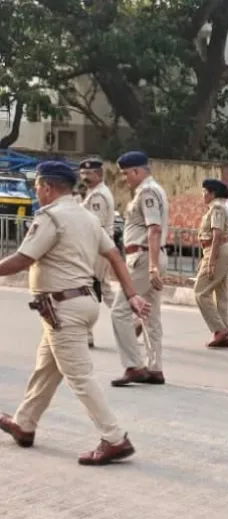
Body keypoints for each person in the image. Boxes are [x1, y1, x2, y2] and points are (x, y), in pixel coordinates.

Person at [0, 161, 149, 465]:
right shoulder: (87, 217)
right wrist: (131, 295)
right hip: (79, 303)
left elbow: (22, 259)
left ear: (49, 187)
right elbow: (114, 257)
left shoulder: (51, 218)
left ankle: (114, 437)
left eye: (37, 186)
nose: (36, 192)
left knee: (79, 376)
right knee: (46, 368)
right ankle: (24, 423)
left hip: (62, 307)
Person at [110, 151, 169, 387]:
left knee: (120, 311)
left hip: (144, 257)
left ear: (136, 171)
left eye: (126, 174)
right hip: (149, 256)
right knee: (150, 314)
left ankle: (134, 365)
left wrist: (153, 266)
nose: (125, 179)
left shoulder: (147, 192)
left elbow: (153, 229)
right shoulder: (155, 189)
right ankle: (155, 368)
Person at [77, 158, 117, 349]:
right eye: (82, 173)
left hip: (96, 248)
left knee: (88, 288)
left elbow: (95, 225)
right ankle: (130, 318)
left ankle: (87, 333)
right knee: (104, 289)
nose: (84, 177)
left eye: (89, 174)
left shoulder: (98, 196)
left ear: (99, 175)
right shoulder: (92, 193)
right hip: (98, 247)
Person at [194, 178, 228, 348]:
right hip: (221, 250)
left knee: (200, 292)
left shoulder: (217, 208)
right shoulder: (217, 207)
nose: (203, 195)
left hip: (219, 251)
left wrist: (211, 261)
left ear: (212, 193)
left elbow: (217, 235)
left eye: (205, 192)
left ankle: (219, 330)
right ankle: (224, 332)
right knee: (221, 293)